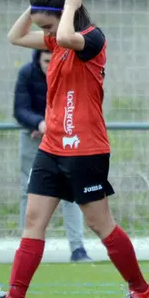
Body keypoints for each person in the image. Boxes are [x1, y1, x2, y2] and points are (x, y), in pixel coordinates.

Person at [0, 0, 149, 298]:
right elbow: (14, 37)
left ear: (67, 13)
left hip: (86, 150)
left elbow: (65, 35)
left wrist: (69, 6)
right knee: (33, 221)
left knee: (100, 224)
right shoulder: (57, 40)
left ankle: (141, 290)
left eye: (48, 21)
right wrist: (35, 5)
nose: (45, 30)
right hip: (51, 148)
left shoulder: (91, 38)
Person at [13, 48, 92, 262]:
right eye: (46, 60)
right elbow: (20, 109)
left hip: (66, 139)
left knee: (71, 194)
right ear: (38, 59)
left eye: (53, 59)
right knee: (28, 191)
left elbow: (79, 104)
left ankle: (78, 248)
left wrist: (59, 126)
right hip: (34, 139)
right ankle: (26, 246)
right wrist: (38, 123)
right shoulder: (27, 74)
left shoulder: (69, 72)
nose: (50, 64)